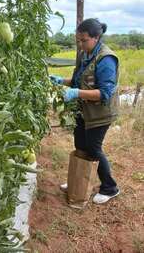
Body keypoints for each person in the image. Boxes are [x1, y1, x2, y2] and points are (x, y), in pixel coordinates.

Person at [50, 18, 120, 204]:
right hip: (83, 110)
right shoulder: (84, 55)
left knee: (93, 149)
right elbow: (77, 81)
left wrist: (76, 93)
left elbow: (104, 93)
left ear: (96, 38)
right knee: (80, 145)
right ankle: (77, 180)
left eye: (84, 40)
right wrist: (62, 81)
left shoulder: (106, 59)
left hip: (100, 113)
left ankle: (110, 187)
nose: (80, 44)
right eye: (78, 40)